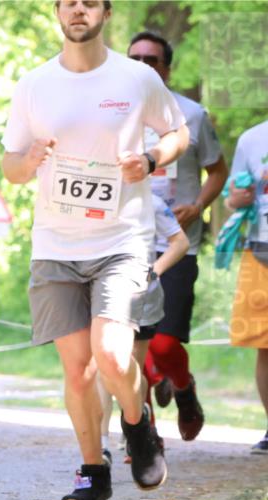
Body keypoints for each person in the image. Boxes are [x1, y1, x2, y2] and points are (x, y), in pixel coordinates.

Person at [0, 0, 189, 500]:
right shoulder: (34, 84)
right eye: (68, 3)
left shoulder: (135, 78)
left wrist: (150, 158)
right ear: (57, 13)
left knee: (111, 351)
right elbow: (10, 163)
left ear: (105, 13)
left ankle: (137, 422)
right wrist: (28, 160)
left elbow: (178, 133)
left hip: (121, 239)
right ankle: (92, 470)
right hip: (55, 245)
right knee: (78, 369)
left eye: (89, 2)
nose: (77, 10)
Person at [128, 31, 228, 442]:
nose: (144, 65)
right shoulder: (114, 116)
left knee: (164, 345)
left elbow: (218, 171)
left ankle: (184, 390)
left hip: (176, 244)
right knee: (132, 349)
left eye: (153, 60)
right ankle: (142, 436)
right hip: (125, 243)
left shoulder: (193, 115)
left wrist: (199, 206)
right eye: (136, 58)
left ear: (166, 68)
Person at [97, 193, 189, 470]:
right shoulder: (97, 197)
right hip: (102, 292)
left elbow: (180, 242)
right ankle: (101, 444)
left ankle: (137, 415)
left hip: (142, 297)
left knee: (130, 369)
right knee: (103, 367)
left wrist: (155, 270)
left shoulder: (152, 202)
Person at [224, 119, 268, 454]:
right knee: (265, 345)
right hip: (261, 248)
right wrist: (236, 199)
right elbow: (231, 199)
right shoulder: (252, 138)